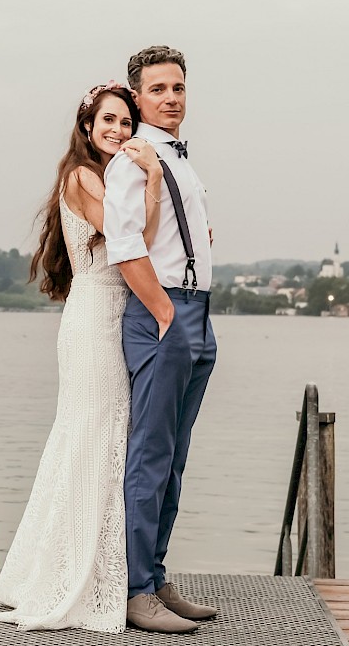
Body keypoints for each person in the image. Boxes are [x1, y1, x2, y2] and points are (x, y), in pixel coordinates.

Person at [0, 82, 163, 633]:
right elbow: (126, 237)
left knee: (109, 436)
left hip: (117, 314)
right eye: (108, 121)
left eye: (125, 123)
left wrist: (151, 185)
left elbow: (141, 240)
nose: (117, 131)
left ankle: (96, 571)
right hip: (94, 320)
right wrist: (154, 180)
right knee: (91, 435)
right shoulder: (83, 176)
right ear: (86, 127)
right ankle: (70, 576)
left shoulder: (112, 176)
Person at [103, 45, 217, 634]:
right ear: (137, 97)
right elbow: (126, 247)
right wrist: (166, 314)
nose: (171, 98)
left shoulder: (178, 157)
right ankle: (134, 589)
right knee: (149, 456)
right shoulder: (132, 160)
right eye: (158, 90)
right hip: (163, 315)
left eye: (178, 88)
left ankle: (156, 574)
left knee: (174, 458)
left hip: (197, 312)